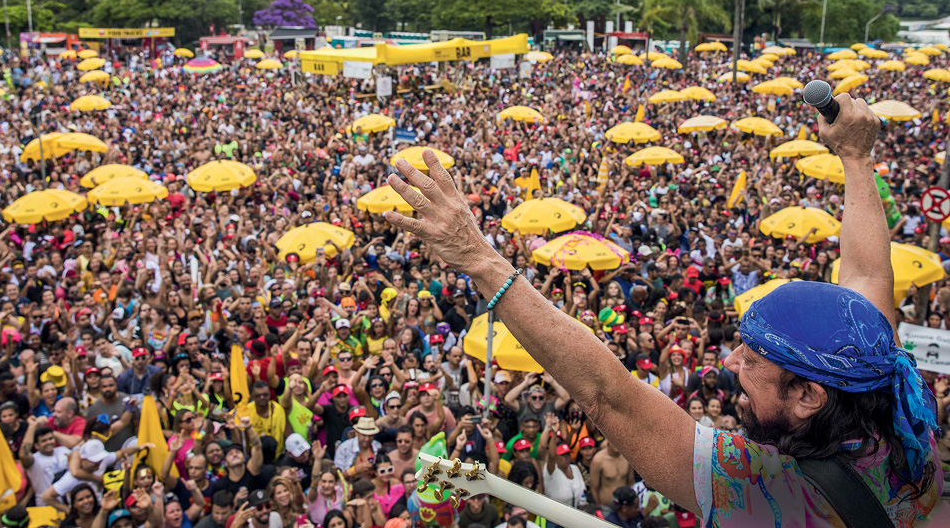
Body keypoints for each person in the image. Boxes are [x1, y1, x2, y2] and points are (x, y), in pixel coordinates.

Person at [380, 97, 942, 527]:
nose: (731, 362)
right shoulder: (894, 403)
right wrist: (856, 157)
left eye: (753, 360)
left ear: (808, 396)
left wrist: (480, 259)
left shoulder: (763, 488)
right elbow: (868, 278)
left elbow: (607, 394)